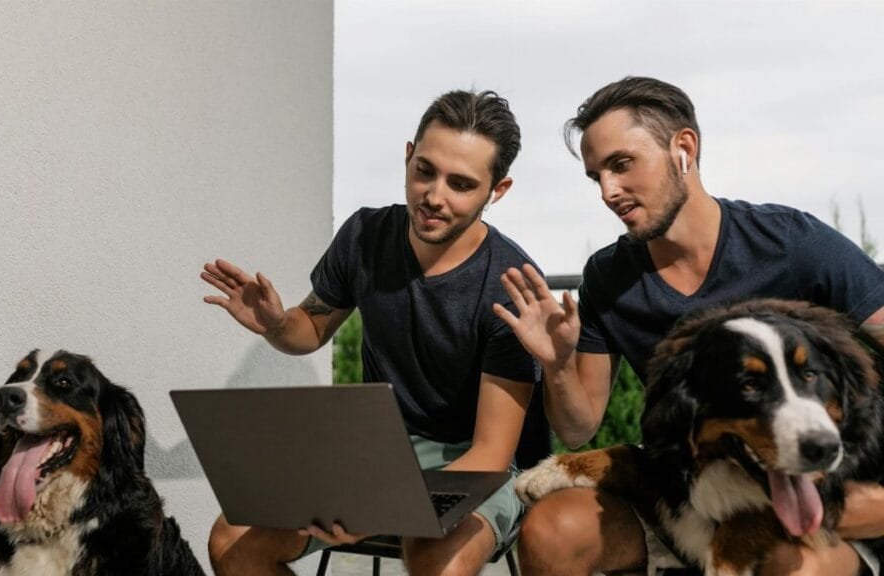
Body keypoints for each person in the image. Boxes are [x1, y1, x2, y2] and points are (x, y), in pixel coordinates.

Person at [494, 76, 884, 576]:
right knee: (553, 527)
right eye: (596, 177)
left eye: (621, 164)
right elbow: (576, 428)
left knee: (788, 564)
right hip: (681, 486)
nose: (609, 191)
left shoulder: (794, 243)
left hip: (811, 490)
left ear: (684, 147)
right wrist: (560, 363)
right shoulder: (608, 276)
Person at [201, 89, 542, 576]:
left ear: (497, 190)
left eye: (461, 184)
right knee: (232, 541)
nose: (434, 196)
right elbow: (310, 328)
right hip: (382, 451)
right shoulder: (364, 236)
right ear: (408, 156)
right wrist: (277, 326)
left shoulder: (509, 285)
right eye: (425, 170)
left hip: (480, 464)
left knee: (435, 561)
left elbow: (491, 452)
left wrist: (380, 506)